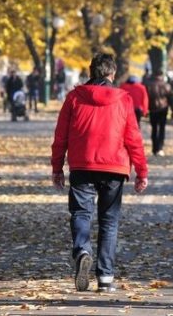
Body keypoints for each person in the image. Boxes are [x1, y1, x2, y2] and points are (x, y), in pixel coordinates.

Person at [51, 53, 149, 293]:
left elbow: (60, 135)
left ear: (91, 72)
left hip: (82, 165)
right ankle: (105, 277)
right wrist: (141, 171)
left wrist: (57, 168)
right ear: (112, 74)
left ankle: (82, 250)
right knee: (109, 221)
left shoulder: (74, 98)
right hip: (114, 167)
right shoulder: (123, 100)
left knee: (80, 213)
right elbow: (133, 138)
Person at [146, 70, 172, 156]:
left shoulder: (149, 85)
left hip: (153, 109)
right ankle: (160, 148)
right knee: (162, 129)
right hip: (163, 109)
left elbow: (146, 98)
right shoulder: (166, 85)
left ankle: (154, 148)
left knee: (154, 129)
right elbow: (170, 97)